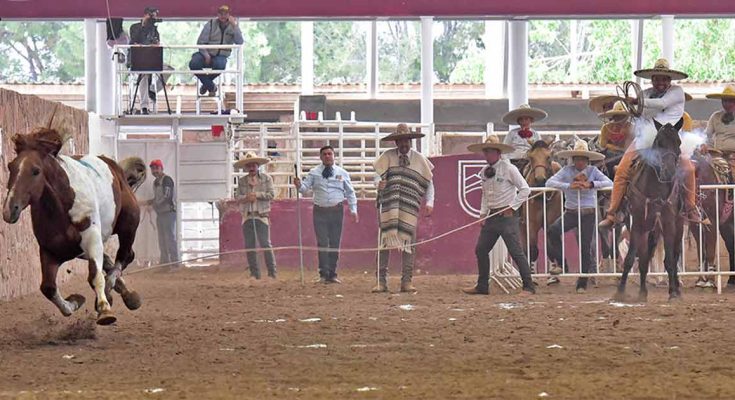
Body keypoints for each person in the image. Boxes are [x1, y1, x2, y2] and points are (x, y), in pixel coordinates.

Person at [599, 58, 698, 228]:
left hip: (670, 141)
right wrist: (634, 106)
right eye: (657, 78)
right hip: (645, 140)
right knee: (622, 170)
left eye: (664, 78)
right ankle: (612, 213)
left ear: (669, 80)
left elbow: (661, 103)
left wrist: (636, 101)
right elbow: (641, 114)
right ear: (652, 79)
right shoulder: (644, 93)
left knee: (688, 168)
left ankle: (691, 208)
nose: (660, 82)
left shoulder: (677, 91)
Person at [462, 136, 535, 296]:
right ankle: (482, 285)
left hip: (507, 216)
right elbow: (485, 195)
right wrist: (482, 214)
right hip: (492, 216)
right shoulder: (484, 172)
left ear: (498, 152)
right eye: (485, 151)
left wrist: (512, 206)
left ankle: (529, 286)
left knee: (515, 251)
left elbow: (525, 189)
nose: (486, 154)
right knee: (481, 249)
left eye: (489, 151)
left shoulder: (509, 169)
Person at [372, 124, 435, 293]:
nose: (403, 144)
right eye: (400, 141)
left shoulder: (420, 160)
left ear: (411, 141)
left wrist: (430, 202)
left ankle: (406, 281)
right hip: (389, 206)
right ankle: (381, 281)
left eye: (406, 140)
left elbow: (429, 183)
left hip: (409, 208)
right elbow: (376, 175)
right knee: (383, 243)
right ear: (396, 142)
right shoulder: (386, 157)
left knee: (409, 245)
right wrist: (378, 183)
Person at [545, 140, 613, 290]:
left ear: (587, 160)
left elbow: (610, 183)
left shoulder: (593, 172)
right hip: (571, 212)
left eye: (583, 159)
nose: (580, 162)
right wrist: (569, 185)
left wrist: (592, 184)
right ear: (573, 159)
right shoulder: (566, 171)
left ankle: (582, 283)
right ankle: (562, 264)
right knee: (553, 231)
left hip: (588, 213)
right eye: (577, 158)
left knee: (585, 246)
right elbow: (549, 183)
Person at [294, 146, 358, 283]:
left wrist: (353, 210)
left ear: (334, 156)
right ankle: (323, 273)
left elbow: (350, 192)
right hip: (320, 211)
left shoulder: (342, 172)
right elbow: (304, 189)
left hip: (336, 210)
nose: (327, 156)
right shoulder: (314, 173)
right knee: (322, 242)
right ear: (321, 157)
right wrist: (299, 185)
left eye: (330, 154)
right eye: (325, 154)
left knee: (335, 242)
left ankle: (332, 274)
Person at [234, 152, 276, 279]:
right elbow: (237, 197)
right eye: (249, 166)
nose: (251, 168)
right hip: (247, 215)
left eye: (253, 165)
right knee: (250, 245)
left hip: (261, 215)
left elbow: (271, 194)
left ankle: (272, 273)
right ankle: (254, 273)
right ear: (246, 168)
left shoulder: (266, 179)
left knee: (265, 244)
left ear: (258, 166)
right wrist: (246, 198)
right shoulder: (242, 181)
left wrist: (257, 195)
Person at [189, 5, 244, 97]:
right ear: (217, 14)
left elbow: (240, 41)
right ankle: (211, 86)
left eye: (225, 14)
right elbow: (200, 42)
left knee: (221, 65)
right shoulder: (210, 24)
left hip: (221, 56)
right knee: (194, 63)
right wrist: (206, 55)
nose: (223, 16)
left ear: (229, 15)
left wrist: (235, 26)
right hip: (206, 53)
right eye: (220, 13)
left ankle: (207, 85)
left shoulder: (233, 26)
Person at [143, 159, 179, 265]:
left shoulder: (167, 180)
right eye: (153, 169)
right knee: (162, 239)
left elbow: (167, 197)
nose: (154, 171)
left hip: (169, 213)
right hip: (161, 214)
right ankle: (165, 262)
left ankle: (174, 262)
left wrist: (152, 205)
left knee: (169, 238)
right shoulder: (156, 182)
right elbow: (158, 198)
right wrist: (148, 203)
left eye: (156, 168)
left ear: (161, 168)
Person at [129, 6, 161, 115]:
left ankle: (151, 89)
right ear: (145, 15)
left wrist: (156, 45)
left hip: (153, 60)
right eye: (150, 17)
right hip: (138, 61)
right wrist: (143, 25)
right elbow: (133, 42)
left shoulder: (154, 30)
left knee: (168, 69)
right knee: (144, 75)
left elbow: (157, 44)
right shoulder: (135, 27)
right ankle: (144, 106)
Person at [501, 104, 548, 171]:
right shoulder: (512, 133)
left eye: (526, 119)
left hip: (530, 163)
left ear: (531, 120)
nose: (524, 121)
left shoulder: (536, 134)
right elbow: (504, 150)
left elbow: (539, 151)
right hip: (513, 162)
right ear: (518, 121)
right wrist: (507, 164)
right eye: (521, 119)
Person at [704, 85, 735, 153]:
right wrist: (704, 145)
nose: (727, 104)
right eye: (724, 101)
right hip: (717, 154)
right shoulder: (715, 116)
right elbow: (707, 135)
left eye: (730, 101)